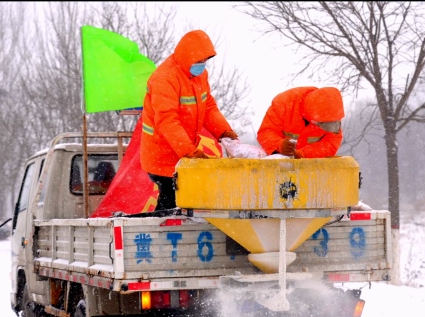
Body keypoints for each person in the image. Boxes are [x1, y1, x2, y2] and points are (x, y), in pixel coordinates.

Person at [140, 30, 238, 211]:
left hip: (182, 154)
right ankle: (162, 234)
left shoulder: (199, 75)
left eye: (204, 61)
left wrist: (223, 131)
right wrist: (189, 151)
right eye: (199, 61)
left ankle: (168, 230)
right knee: (172, 201)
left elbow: (208, 106)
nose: (202, 65)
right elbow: (167, 120)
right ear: (186, 57)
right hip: (162, 155)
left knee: (177, 203)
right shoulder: (164, 79)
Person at [257, 86, 344, 159]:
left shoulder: (332, 111)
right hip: (279, 164)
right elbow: (266, 132)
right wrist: (278, 145)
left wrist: (305, 154)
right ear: (313, 119)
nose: (325, 127)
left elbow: (332, 142)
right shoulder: (284, 103)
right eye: (323, 124)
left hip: (311, 168)